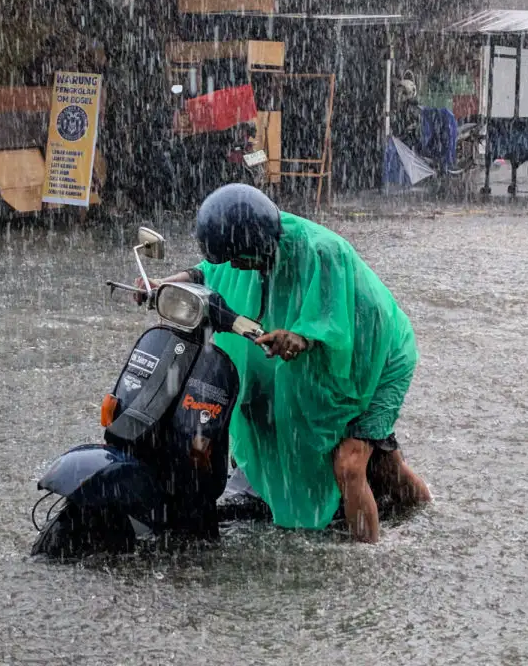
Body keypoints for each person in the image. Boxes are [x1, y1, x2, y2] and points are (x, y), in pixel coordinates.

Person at [139, 184, 431, 542]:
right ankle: (422, 508)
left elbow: (331, 320)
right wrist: (163, 284)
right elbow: (208, 273)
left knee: (350, 464)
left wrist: (300, 338)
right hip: (335, 359)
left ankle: (367, 557)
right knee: (381, 458)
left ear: (259, 244)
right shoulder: (250, 241)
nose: (235, 267)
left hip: (376, 356)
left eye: (238, 259)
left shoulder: (323, 252)